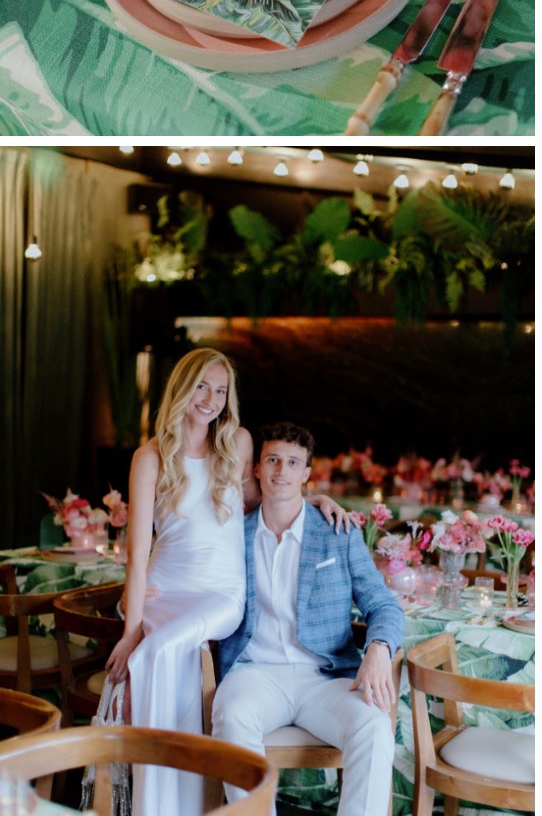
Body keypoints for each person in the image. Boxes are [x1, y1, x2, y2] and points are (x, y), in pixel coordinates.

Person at [104, 348, 356, 815]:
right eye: (202, 386)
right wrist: (130, 626)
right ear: (181, 387)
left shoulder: (236, 444)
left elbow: (272, 495)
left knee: (157, 651)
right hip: (163, 586)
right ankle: (160, 802)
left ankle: (168, 800)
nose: (211, 400)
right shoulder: (150, 456)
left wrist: (315, 496)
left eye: (221, 391)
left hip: (221, 593)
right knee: (159, 653)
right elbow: (138, 553)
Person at [212, 421, 404, 816]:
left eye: (293, 462)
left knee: (374, 727)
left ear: (306, 474)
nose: (282, 471)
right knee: (231, 715)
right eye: (273, 460)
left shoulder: (339, 532)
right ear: (257, 470)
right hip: (255, 673)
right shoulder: (233, 535)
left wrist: (380, 647)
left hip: (326, 679)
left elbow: (383, 605)